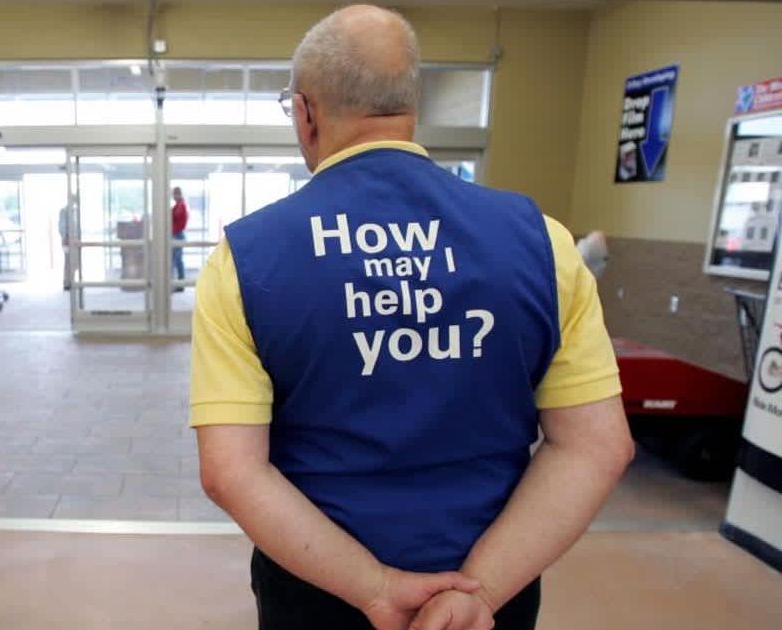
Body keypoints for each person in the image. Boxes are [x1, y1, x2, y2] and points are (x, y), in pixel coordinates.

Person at [189, 6, 633, 630]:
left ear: (305, 113)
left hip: (321, 596)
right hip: (491, 596)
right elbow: (597, 447)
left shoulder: (245, 260)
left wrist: (375, 588)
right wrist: (478, 593)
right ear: (409, 105)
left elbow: (230, 472)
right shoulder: (544, 243)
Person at [171, 187, 189, 291]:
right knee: (175, 260)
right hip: (176, 234)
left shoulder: (181, 205)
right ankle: (178, 283)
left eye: (175, 194)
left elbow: (176, 216)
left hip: (178, 235)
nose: (173, 196)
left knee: (177, 260)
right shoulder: (178, 205)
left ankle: (180, 284)